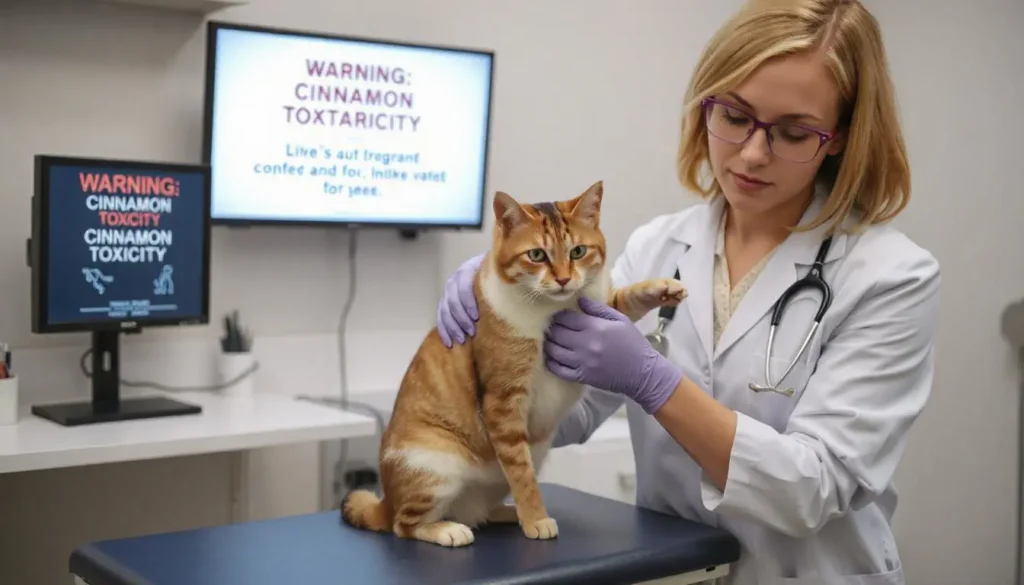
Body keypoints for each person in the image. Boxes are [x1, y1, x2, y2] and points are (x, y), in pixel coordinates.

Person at [436, 0, 940, 583]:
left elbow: (813, 487)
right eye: (733, 115)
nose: (752, 153)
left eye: (793, 131)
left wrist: (654, 381)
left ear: (839, 137)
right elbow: (562, 418)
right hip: (675, 574)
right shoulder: (660, 245)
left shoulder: (890, 276)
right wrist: (500, 307)